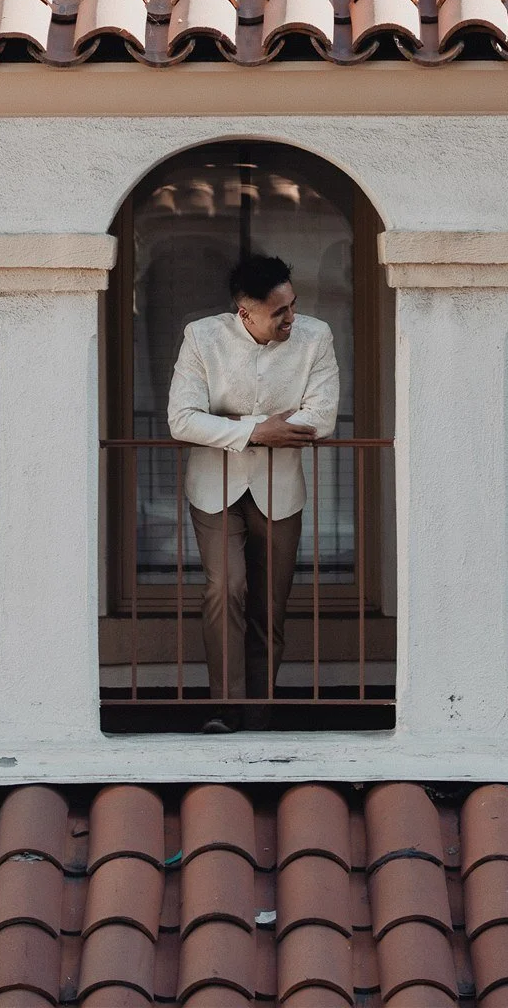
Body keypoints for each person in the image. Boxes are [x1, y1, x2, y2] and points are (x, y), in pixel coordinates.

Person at [167, 253, 339, 707]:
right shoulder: (202, 337)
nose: (291, 318)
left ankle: (260, 711)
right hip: (213, 488)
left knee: (270, 606)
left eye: (293, 305)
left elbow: (320, 418)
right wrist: (259, 430)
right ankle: (227, 707)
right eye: (279, 311)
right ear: (245, 312)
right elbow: (182, 420)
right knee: (227, 587)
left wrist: (225, 423)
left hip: (281, 491)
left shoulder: (315, 337)